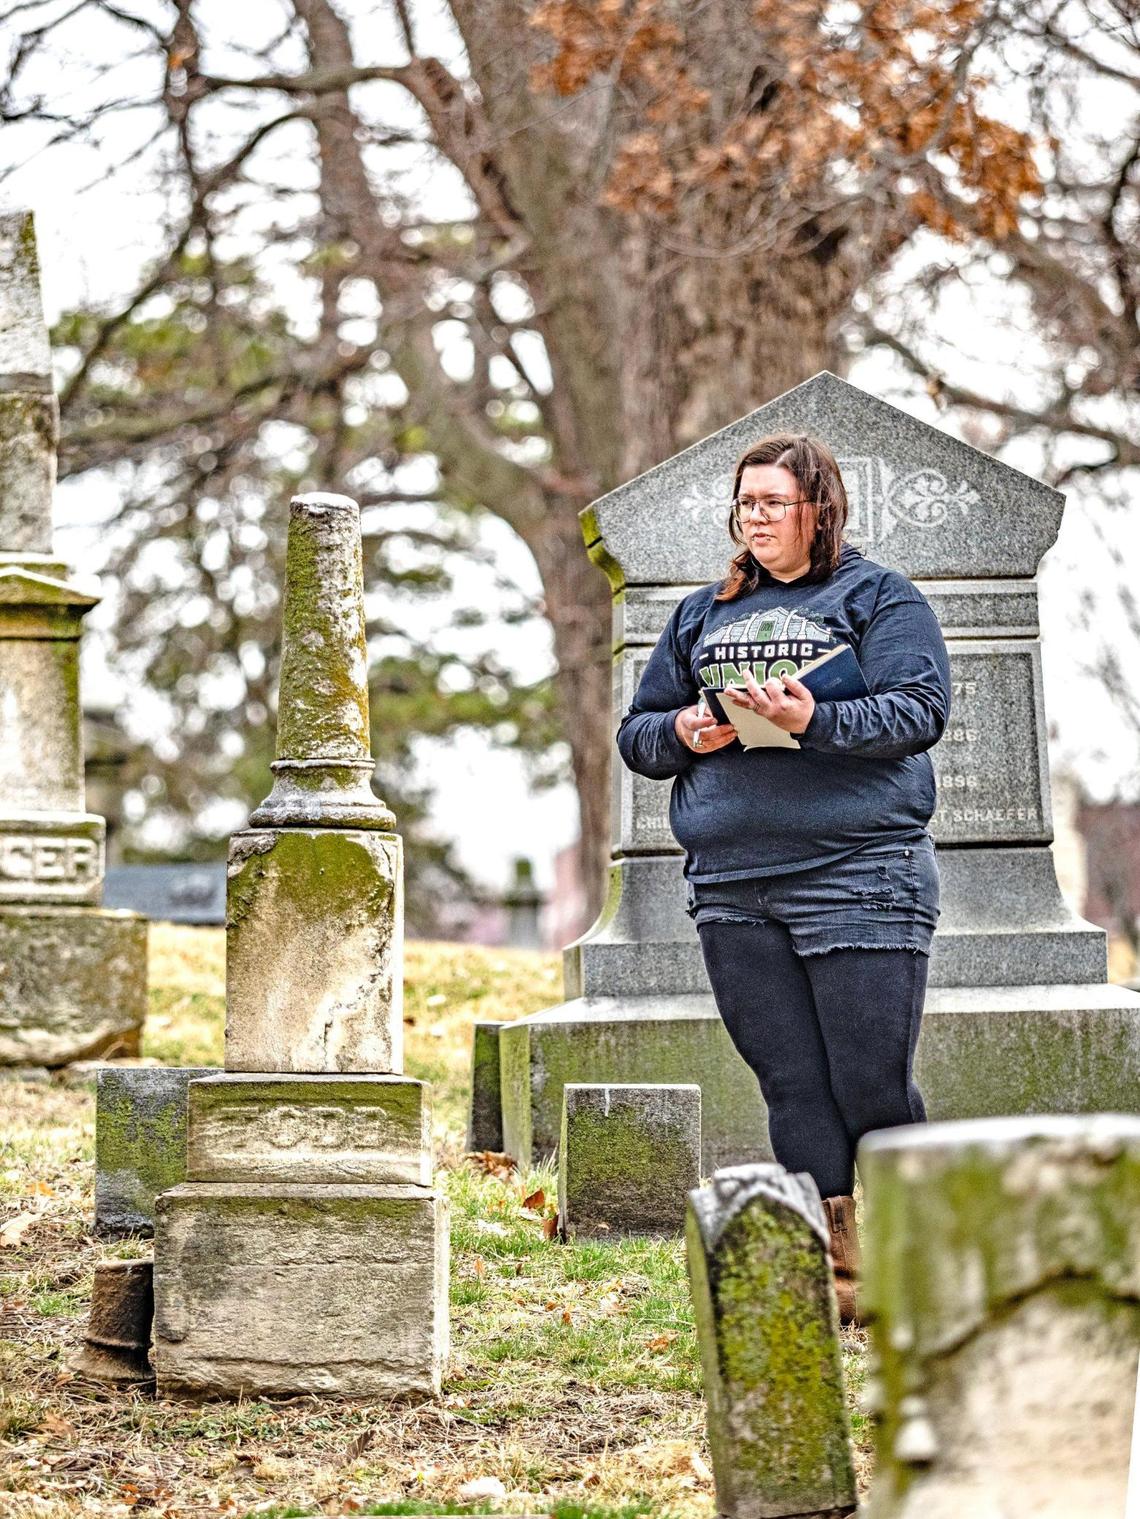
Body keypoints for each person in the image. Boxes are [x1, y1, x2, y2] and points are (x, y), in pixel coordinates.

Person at [616, 432, 950, 1323]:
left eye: (772, 502)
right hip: (733, 883)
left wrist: (812, 717)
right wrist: (686, 732)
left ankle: (918, 1271)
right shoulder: (701, 613)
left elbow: (918, 710)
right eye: (744, 503)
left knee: (870, 1082)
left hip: (860, 874)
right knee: (791, 1084)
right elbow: (637, 732)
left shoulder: (880, 597)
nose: (754, 518)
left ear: (819, 509)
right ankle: (841, 1280)